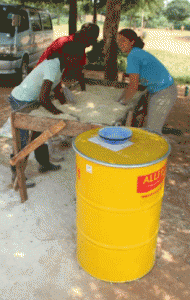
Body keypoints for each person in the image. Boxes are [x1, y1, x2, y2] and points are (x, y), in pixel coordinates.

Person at [8, 43, 84, 188]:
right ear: (67, 56)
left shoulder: (61, 66)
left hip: (32, 100)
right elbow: (44, 98)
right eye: (75, 58)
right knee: (22, 139)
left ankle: (44, 163)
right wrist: (59, 113)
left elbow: (55, 88)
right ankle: (17, 176)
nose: (77, 61)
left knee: (39, 133)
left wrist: (66, 104)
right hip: (21, 100)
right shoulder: (52, 66)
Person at [116, 28, 178, 134]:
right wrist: (120, 99)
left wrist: (123, 103)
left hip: (164, 92)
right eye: (118, 41)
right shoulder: (136, 53)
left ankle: (156, 149)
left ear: (132, 42)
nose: (120, 44)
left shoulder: (133, 56)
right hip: (162, 89)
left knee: (153, 131)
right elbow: (131, 84)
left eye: (123, 41)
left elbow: (134, 86)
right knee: (152, 125)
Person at [36, 22, 100, 93]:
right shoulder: (63, 44)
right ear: (85, 38)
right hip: (40, 82)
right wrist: (61, 89)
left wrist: (83, 90)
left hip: (53, 82)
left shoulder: (80, 48)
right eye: (91, 41)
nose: (90, 45)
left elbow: (79, 71)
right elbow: (50, 70)